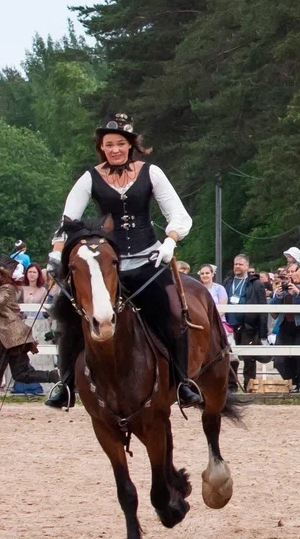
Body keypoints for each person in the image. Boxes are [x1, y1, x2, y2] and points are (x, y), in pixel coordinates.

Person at [44, 114, 202, 410]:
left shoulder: (152, 173)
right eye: (108, 145)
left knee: (173, 314)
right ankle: (65, 384)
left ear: (131, 145)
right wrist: (57, 252)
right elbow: (67, 221)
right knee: (67, 316)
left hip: (148, 261)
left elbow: (179, 215)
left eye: (120, 143)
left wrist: (170, 240)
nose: (114, 149)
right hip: (105, 266)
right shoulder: (89, 178)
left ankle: (182, 383)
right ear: (101, 147)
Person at [0, 259, 59, 417]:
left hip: (10, 336)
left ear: (2, 274)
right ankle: (53, 376)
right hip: (15, 336)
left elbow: (0, 300)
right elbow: (1, 308)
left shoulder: (7, 289)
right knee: (21, 374)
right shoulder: (6, 288)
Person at [223, 253, 267, 392]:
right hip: (230, 325)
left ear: (247, 266)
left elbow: (263, 308)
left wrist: (263, 332)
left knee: (249, 357)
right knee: (230, 356)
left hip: (248, 325)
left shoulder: (256, 284)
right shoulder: (228, 282)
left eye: (240, 264)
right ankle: (231, 385)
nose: (237, 266)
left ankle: (250, 385)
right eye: (236, 264)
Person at [271, 266, 300, 393]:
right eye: (288, 272)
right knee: (281, 358)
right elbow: (273, 309)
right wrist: (278, 295)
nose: (291, 274)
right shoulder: (283, 287)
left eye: (293, 271)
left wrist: (297, 292)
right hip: (285, 325)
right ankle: (292, 382)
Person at [15, 263, 53, 395]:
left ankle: (43, 385)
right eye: (29, 272)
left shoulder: (43, 290)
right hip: (25, 323)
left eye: (34, 272)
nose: (31, 274)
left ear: (38, 275)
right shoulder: (20, 289)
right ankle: (24, 386)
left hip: (39, 323)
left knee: (40, 354)